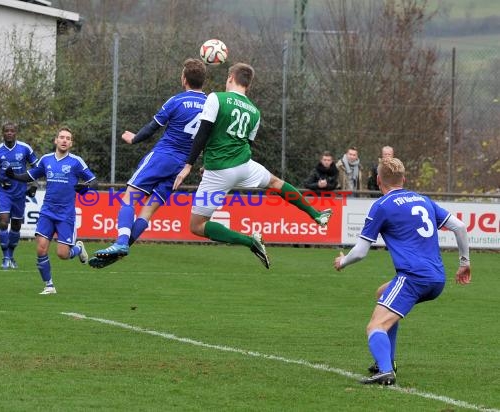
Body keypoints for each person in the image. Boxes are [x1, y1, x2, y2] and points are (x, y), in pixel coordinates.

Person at [170, 62, 332, 269]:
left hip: (219, 171)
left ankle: (251, 241)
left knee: (197, 225)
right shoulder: (255, 112)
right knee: (275, 182)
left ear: (230, 78)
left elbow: (203, 134)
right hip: (245, 166)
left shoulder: (216, 98)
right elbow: (246, 143)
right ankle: (317, 214)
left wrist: (189, 165)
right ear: (249, 84)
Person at [333, 157, 471, 386]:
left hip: (413, 278)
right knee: (382, 293)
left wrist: (342, 262)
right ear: (404, 179)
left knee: (375, 327)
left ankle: (386, 372)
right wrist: (464, 262)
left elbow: (360, 252)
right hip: (437, 278)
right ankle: (386, 361)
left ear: (378, 180)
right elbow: (460, 227)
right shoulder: (422, 199)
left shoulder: (381, 206)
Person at [92, 58, 207, 268]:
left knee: (129, 198)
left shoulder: (176, 101)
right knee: (147, 211)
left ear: (184, 79)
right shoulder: (211, 105)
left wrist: (134, 139)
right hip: (182, 167)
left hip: (162, 157)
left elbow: (152, 128)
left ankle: (120, 242)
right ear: (203, 81)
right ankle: (121, 250)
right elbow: (210, 140)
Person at [6, 126, 97, 294]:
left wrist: (84, 187)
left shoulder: (76, 162)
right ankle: (49, 285)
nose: (64, 140)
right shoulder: (46, 160)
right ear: (56, 140)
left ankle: (77, 249)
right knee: (41, 248)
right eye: (61, 137)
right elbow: (31, 175)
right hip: (47, 211)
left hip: (65, 214)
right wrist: (14, 176)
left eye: (68, 138)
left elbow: (93, 180)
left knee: (63, 254)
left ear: (71, 143)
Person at [0, 122, 38, 269]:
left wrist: (33, 185)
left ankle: (11, 255)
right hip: (4, 192)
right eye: (7, 131)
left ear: (16, 133)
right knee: (3, 222)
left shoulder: (25, 148)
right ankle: (5, 257)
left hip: (20, 191)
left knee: (16, 225)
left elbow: (37, 167)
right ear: (3, 133)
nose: (9, 133)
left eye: (12, 131)